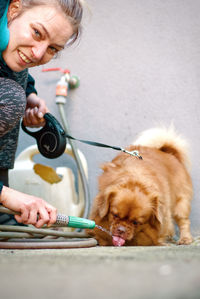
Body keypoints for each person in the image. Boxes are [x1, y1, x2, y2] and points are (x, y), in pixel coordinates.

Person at [0, 0, 83, 227]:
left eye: (52, 49)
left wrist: (30, 95)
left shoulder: (12, 47)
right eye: (37, 32)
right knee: (8, 97)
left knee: (13, 90)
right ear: (14, 8)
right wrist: (7, 197)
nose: (38, 54)